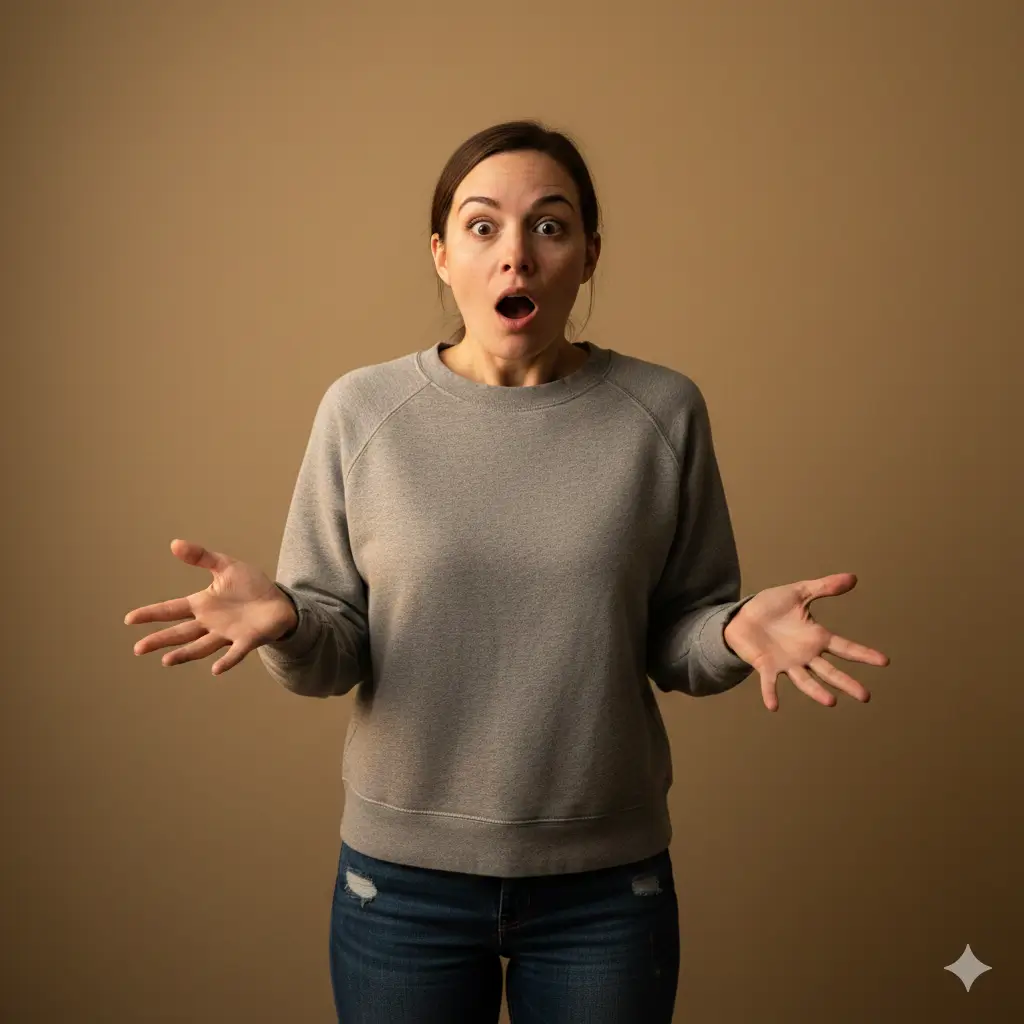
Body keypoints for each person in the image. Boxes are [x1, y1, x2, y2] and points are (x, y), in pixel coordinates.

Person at [124, 120, 890, 1023]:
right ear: (442, 254)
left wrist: (726, 632)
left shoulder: (662, 411)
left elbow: (676, 637)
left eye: (550, 227)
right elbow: (335, 651)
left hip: (605, 888)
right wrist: (290, 624)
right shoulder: (363, 411)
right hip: (400, 888)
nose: (515, 256)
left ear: (589, 255)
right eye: (483, 227)